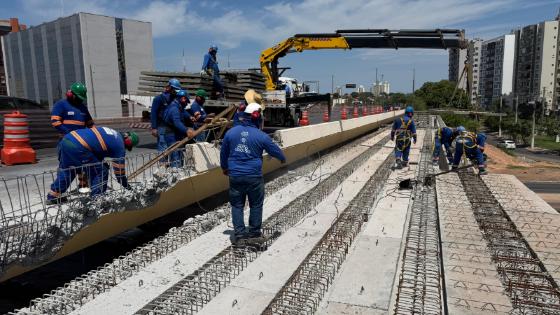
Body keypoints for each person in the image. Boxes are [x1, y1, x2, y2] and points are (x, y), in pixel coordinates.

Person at [220, 102, 286, 242]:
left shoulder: (230, 133)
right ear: (257, 117)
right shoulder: (261, 136)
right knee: (255, 204)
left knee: (237, 205)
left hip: (235, 176)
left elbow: (223, 153)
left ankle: (239, 236)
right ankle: (254, 235)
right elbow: (275, 151)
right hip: (254, 177)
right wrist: (282, 159)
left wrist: (225, 168)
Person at [47, 127, 139, 204]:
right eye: (128, 147)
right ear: (128, 141)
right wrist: (127, 186)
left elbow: (97, 148)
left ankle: (53, 196)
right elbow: (119, 173)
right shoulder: (119, 146)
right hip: (79, 146)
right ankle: (96, 199)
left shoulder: (113, 133)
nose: (126, 149)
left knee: (69, 169)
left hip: (67, 140)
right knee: (100, 171)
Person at [51, 82, 94, 188]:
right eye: (78, 98)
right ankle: (58, 191)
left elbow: (90, 124)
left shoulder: (82, 107)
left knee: (83, 165)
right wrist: (70, 134)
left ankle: (83, 187)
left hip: (81, 143)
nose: (80, 100)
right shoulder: (61, 104)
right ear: (70, 94)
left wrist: (95, 136)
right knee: (66, 167)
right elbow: (55, 122)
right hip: (67, 142)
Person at [162, 90, 195, 167]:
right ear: (183, 99)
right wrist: (186, 130)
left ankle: (177, 170)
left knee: (179, 155)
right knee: (176, 157)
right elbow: (177, 123)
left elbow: (183, 112)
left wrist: (190, 116)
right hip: (172, 135)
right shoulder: (174, 109)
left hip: (174, 134)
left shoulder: (177, 106)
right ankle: (176, 173)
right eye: (186, 102)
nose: (186, 104)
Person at [151, 78, 182, 153]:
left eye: (176, 90)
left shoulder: (174, 99)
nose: (175, 92)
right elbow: (153, 113)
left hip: (171, 127)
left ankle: (170, 164)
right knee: (163, 148)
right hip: (161, 127)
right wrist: (154, 128)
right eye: (174, 89)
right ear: (169, 87)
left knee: (172, 148)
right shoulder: (158, 99)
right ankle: (163, 164)